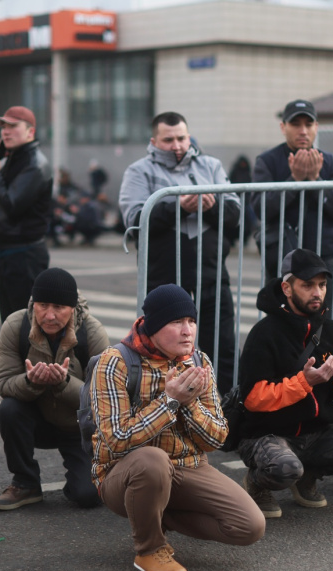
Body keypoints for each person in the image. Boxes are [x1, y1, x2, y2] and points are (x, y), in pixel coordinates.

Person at [89, 284, 265, 571]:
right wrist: (169, 401)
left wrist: (189, 402)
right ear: (154, 326)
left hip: (188, 466)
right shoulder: (116, 362)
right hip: (124, 473)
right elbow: (115, 440)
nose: (187, 331)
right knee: (153, 461)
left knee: (249, 526)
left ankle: (154, 513)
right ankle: (149, 549)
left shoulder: (198, 361)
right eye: (176, 322)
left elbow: (217, 438)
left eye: (191, 321)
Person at [236, 249, 333, 517]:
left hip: (317, 433)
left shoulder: (331, 331)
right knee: (284, 468)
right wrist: (304, 382)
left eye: (322, 285)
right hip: (267, 434)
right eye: (308, 285)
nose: (317, 292)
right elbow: (252, 398)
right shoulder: (265, 333)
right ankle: (257, 483)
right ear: (287, 288)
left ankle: (308, 473)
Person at [119, 111, 241, 393]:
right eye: (168, 140)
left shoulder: (210, 165)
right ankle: (161, 400)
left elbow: (235, 214)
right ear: (154, 142)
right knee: (163, 347)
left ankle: (225, 404)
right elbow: (134, 219)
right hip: (163, 278)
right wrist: (178, 207)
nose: (176, 145)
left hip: (211, 273)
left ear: (189, 137)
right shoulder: (138, 171)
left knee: (222, 345)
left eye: (182, 138)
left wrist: (212, 207)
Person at [0, 267, 108, 510]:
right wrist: (30, 381)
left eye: (59, 307)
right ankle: (25, 483)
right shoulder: (16, 325)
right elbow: (2, 382)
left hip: (78, 428)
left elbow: (105, 397)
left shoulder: (92, 331)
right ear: (34, 303)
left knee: (87, 496)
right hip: (37, 421)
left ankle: (87, 475)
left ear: (72, 308)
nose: (49, 315)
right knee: (8, 410)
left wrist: (64, 383)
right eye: (43, 305)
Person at [252, 99, 333, 286]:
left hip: (323, 256)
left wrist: (316, 181)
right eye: (295, 124)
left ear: (316, 127)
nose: (303, 131)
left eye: (308, 124)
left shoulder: (331, 162)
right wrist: (294, 180)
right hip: (282, 256)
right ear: (283, 127)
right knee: (281, 305)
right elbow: (261, 209)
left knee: (324, 305)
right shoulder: (267, 161)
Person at [0, 106, 52, 323]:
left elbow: (11, 204)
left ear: (30, 132)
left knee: (25, 328)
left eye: (13, 126)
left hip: (24, 257)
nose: (5, 131)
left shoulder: (34, 164)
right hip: (6, 255)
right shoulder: (13, 159)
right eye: (3, 126)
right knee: (10, 327)